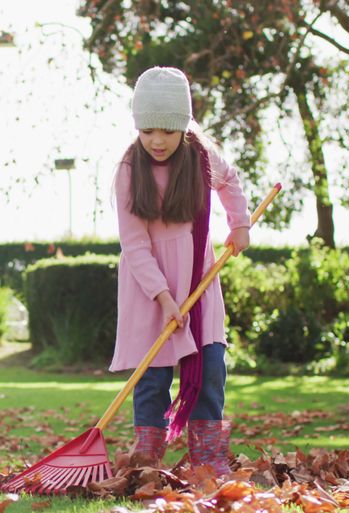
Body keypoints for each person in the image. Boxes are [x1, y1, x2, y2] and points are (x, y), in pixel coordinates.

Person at [111, 67, 251, 474]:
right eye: (148, 129)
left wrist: (238, 224)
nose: (157, 140)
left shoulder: (202, 157)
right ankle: (148, 458)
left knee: (210, 367)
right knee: (152, 377)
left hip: (197, 279)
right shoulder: (127, 169)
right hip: (147, 286)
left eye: (168, 131)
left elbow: (231, 181)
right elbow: (135, 245)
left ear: (184, 126)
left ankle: (208, 458)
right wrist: (164, 297)